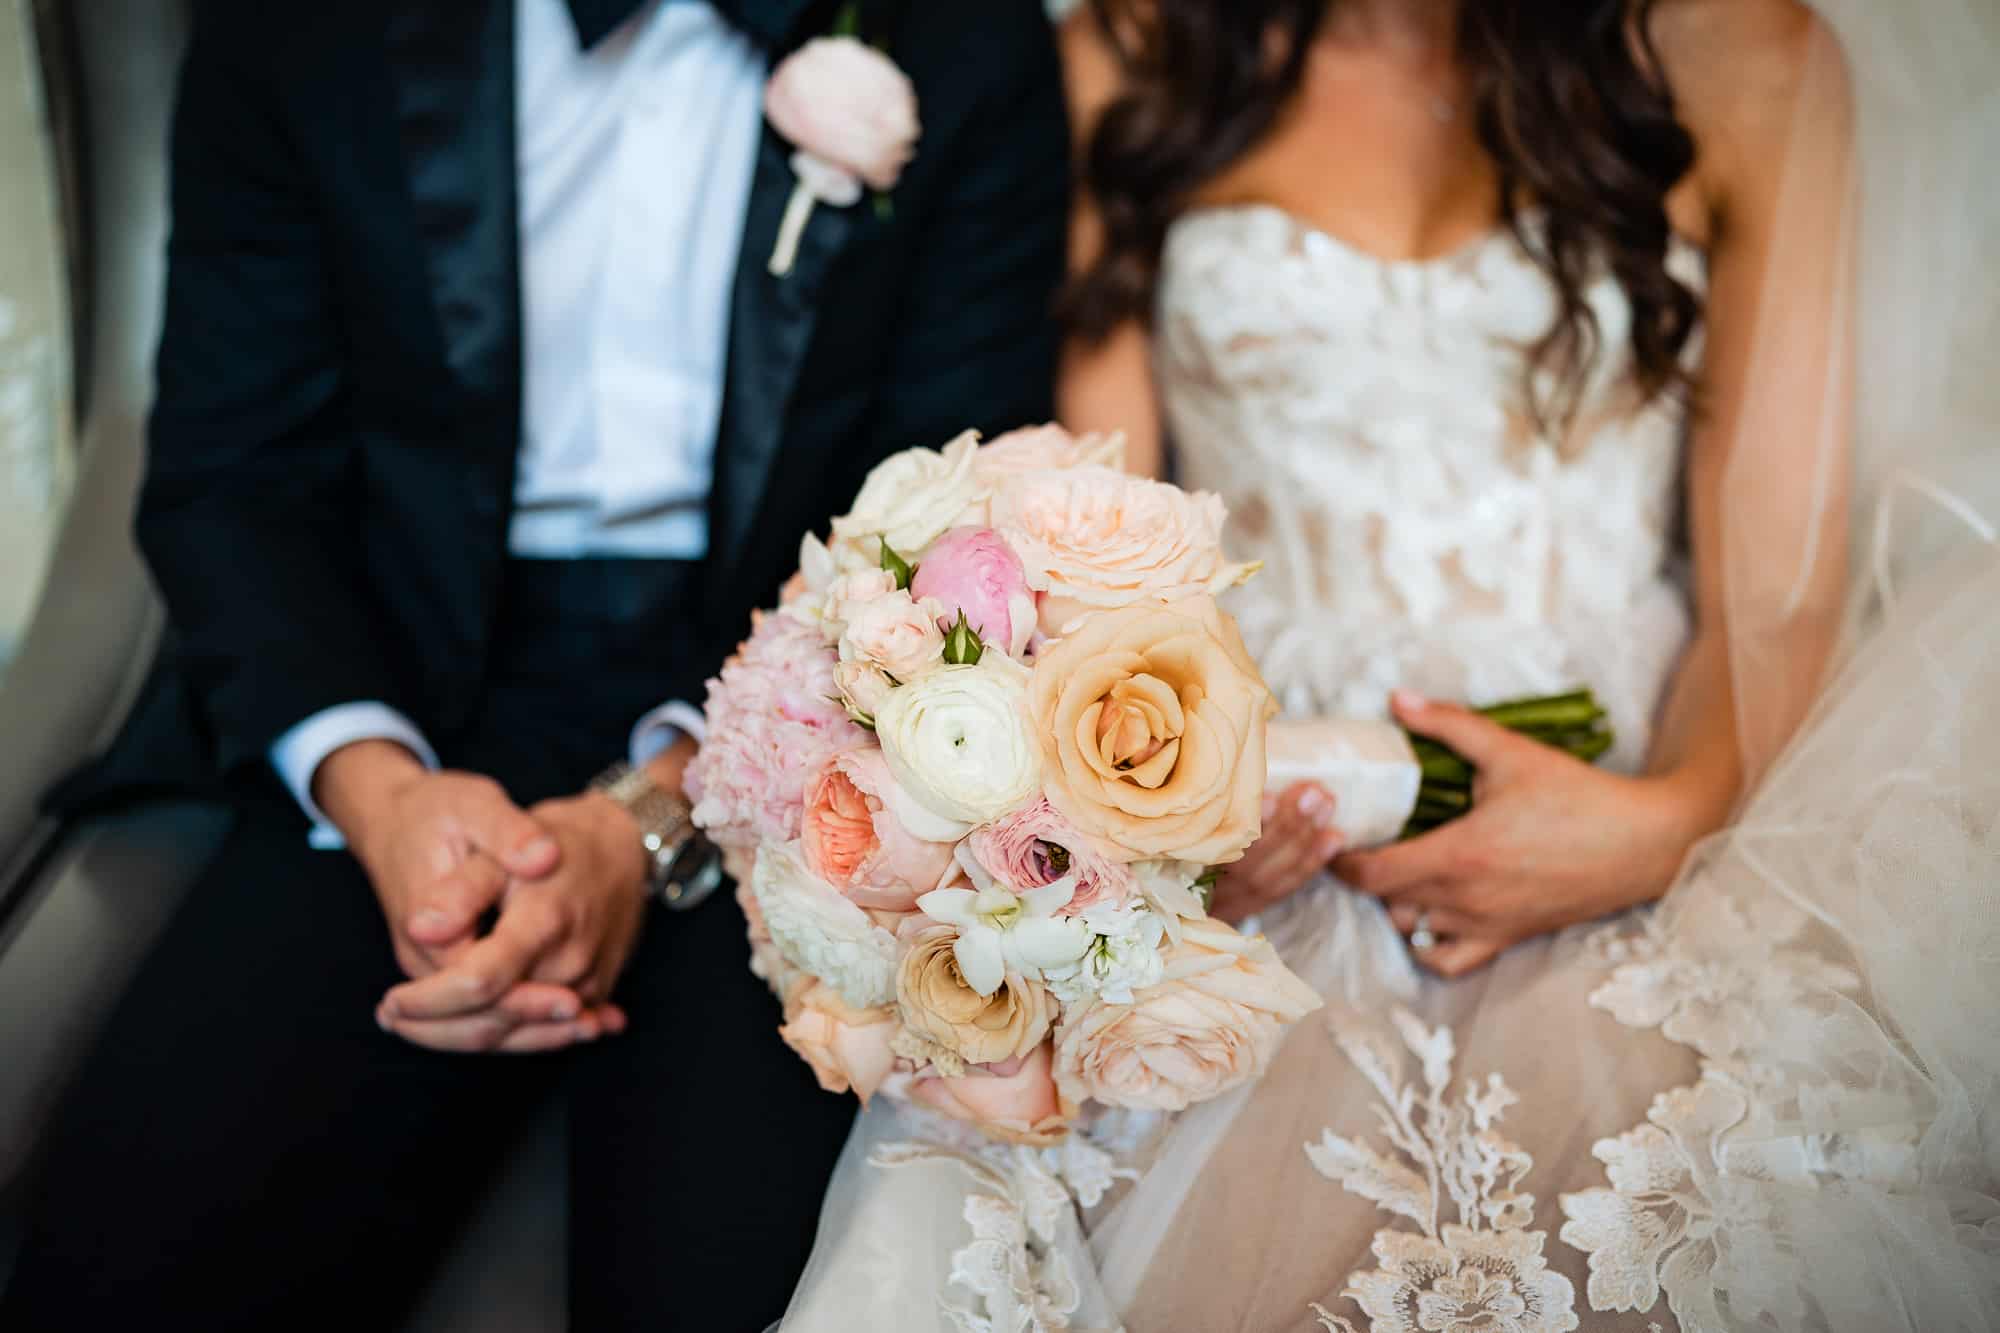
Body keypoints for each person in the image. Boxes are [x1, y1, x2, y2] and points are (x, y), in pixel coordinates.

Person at [773, 0, 2000, 1328]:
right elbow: (1096, 549)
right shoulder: (1129, 57)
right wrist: (1160, 842)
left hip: (1639, 778)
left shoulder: (1746, 56)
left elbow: (1769, 600)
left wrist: (1663, 829)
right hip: (1250, 788)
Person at [0, 1, 1066, 1329]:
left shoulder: (963, 38)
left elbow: (948, 520)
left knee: (742, 1279)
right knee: (127, 1257)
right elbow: (235, 477)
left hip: (794, 707)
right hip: (400, 677)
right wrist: (379, 791)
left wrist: (663, 808)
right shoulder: (293, 26)